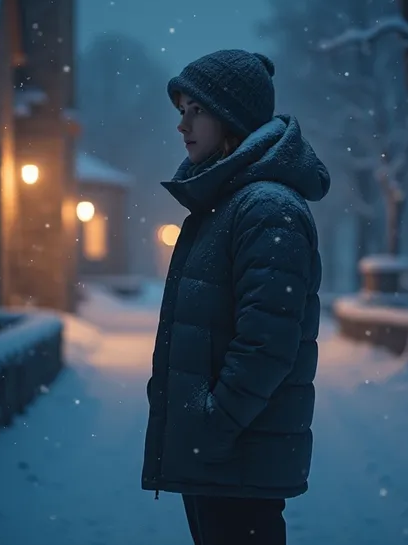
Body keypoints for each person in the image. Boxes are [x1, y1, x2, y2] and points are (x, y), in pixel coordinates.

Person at [141, 49, 330, 545]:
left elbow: (267, 343)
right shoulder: (228, 201)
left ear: (231, 114)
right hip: (222, 460)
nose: (183, 125)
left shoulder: (266, 206)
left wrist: (211, 422)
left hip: (236, 459)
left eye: (195, 110)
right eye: (180, 111)